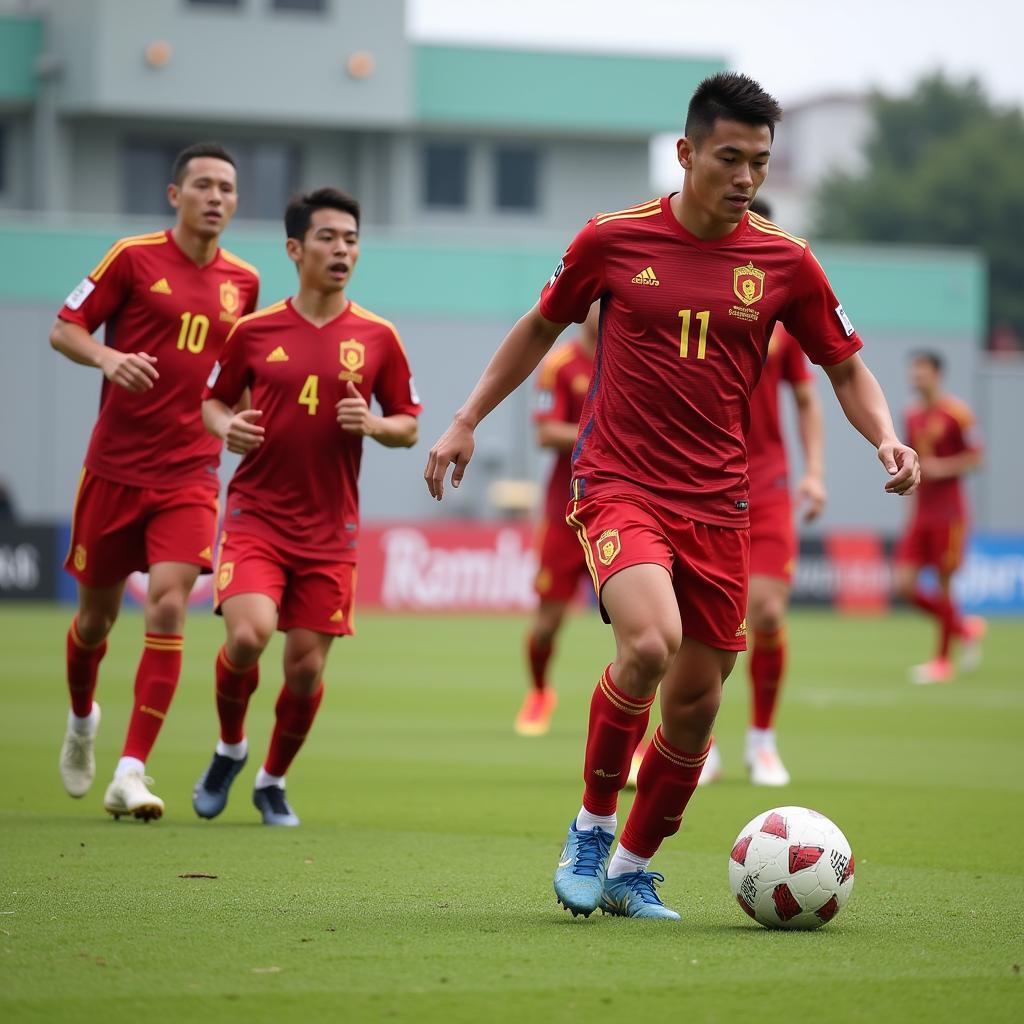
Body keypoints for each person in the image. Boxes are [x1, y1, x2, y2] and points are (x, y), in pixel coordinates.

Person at [425, 72, 919, 920]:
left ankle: (629, 867)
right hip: (618, 483)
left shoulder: (785, 261)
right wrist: (467, 417)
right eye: (730, 158)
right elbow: (539, 327)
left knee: (696, 702)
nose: (745, 178)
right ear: (687, 153)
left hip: (722, 502)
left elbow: (844, 368)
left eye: (760, 162)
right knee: (650, 645)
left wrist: (883, 433)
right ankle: (591, 824)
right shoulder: (611, 241)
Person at [192, 187, 421, 826]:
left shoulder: (378, 337)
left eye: (350, 238)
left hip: (331, 530)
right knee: (248, 634)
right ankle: (230, 747)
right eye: (328, 237)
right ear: (296, 249)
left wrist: (374, 426)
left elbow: (408, 424)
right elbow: (214, 400)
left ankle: (272, 780)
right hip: (256, 518)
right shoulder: (254, 331)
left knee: (304, 667)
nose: (342, 248)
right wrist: (223, 427)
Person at [52, 142, 259, 821]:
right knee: (94, 621)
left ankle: (131, 771)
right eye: (202, 184)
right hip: (114, 469)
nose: (216, 197)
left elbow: (238, 381)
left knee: (170, 606)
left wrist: (236, 421)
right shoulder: (132, 257)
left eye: (226, 188)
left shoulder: (245, 282)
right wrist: (108, 356)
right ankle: (83, 720)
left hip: (191, 473)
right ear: (175, 195)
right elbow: (65, 328)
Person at [516, 301, 598, 736]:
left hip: (618, 509)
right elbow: (546, 433)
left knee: (640, 629)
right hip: (566, 511)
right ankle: (540, 692)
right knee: (548, 623)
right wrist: (604, 428)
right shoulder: (561, 366)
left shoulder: (633, 358)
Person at [894, 351, 985, 684]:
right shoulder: (911, 415)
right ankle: (964, 628)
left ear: (937, 375)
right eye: (913, 371)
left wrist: (941, 468)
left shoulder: (958, 414)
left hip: (950, 511)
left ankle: (943, 662)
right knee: (903, 585)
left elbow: (977, 459)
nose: (916, 377)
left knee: (945, 586)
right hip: (921, 512)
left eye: (922, 371)